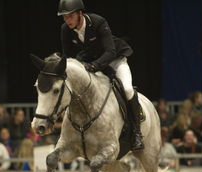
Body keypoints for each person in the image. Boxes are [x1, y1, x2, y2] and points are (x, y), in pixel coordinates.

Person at [58, 0, 144, 150]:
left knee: (128, 89)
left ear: (80, 13)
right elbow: (68, 56)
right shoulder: (65, 29)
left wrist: (94, 66)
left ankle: (137, 133)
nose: (67, 20)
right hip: (90, 63)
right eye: (64, 17)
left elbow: (110, 52)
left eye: (70, 16)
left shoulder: (98, 22)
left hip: (114, 60)